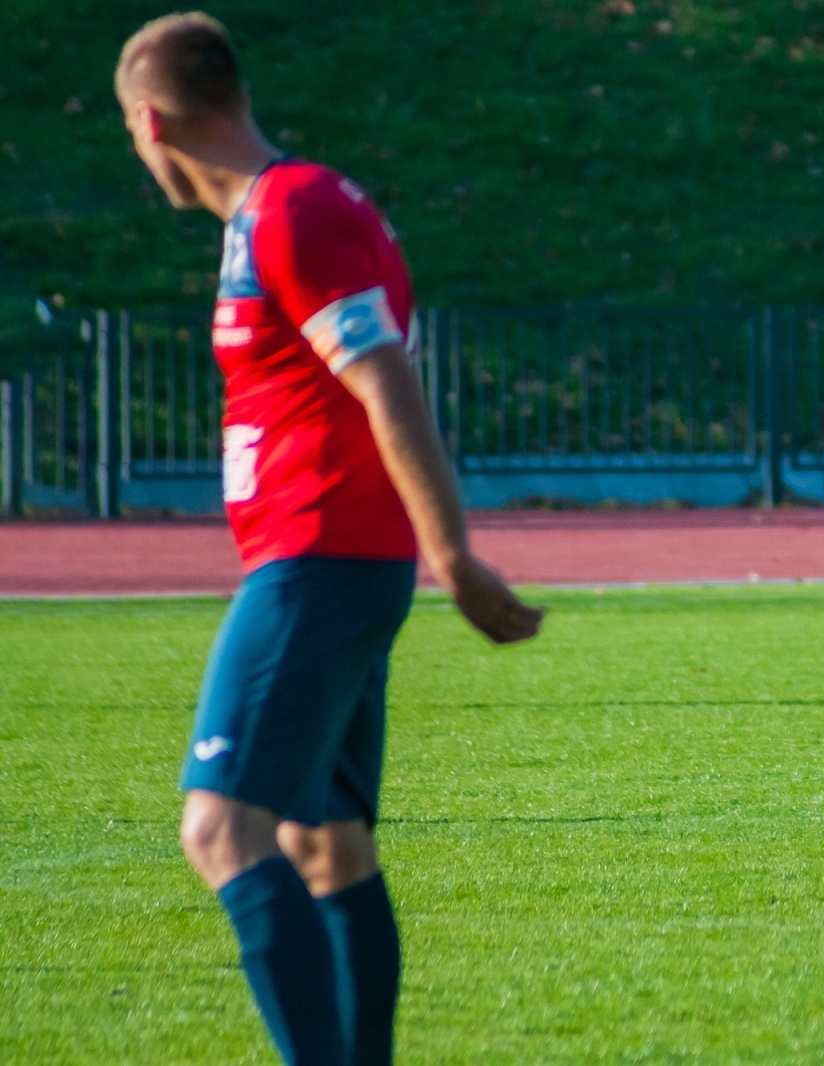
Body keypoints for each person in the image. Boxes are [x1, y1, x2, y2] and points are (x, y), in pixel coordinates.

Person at [114, 13, 544, 1063]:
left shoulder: (294, 209)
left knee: (218, 829)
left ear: (154, 120)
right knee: (323, 842)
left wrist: (453, 555)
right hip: (325, 560)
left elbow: (384, 373)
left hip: (320, 564)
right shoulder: (268, 212)